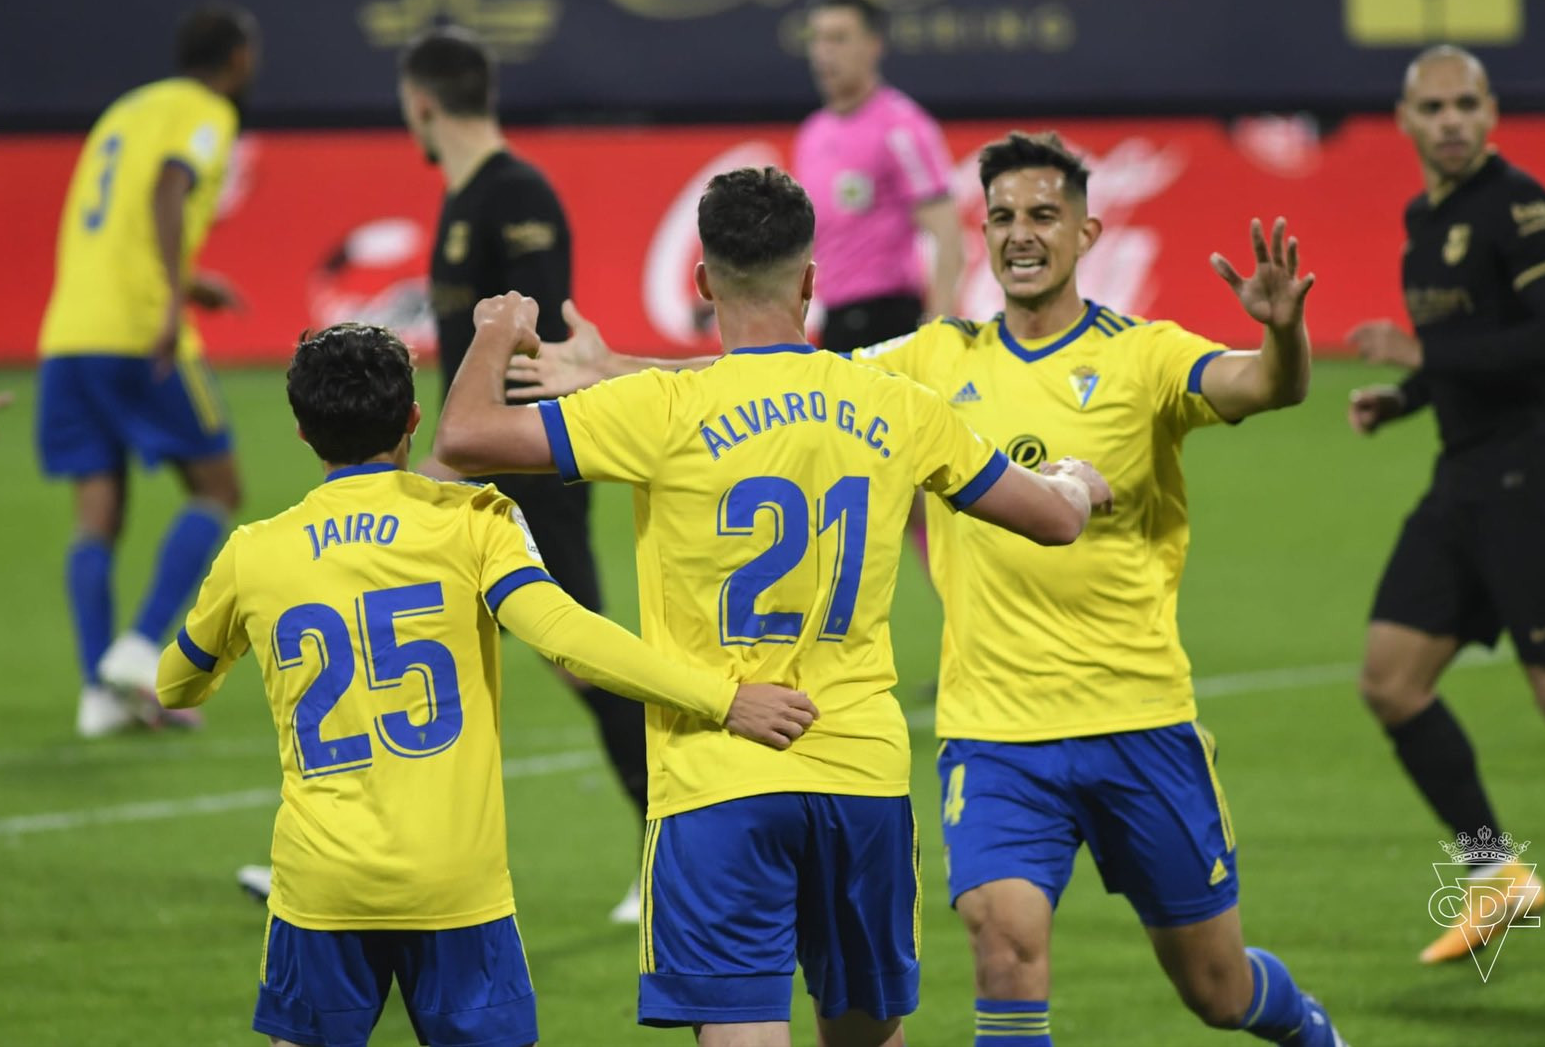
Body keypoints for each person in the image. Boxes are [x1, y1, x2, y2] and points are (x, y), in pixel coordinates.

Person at [506, 134, 1349, 1046]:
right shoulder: (931, 361)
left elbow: (1264, 383)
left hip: (1138, 714)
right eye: (1001, 217)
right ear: (981, 233)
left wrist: (1284, 332)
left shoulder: (1145, 357)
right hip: (994, 730)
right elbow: (769, 375)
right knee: (1003, 937)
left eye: (1042, 216)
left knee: (1218, 989)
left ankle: (1304, 1028)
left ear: (1089, 230)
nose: (1020, 235)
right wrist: (612, 373)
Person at [432, 167, 1113, 1047]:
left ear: (704, 282)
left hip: (719, 775)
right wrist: (1075, 483)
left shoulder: (657, 407)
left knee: (741, 1029)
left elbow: (464, 436)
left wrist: (495, 333)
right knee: (867, 1035)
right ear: (810, 279)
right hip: (860, 772)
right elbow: (1051, 520)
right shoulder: (901, 407)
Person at [156, 322, 819, 1047]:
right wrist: (724, 698)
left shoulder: (255, 553)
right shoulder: (475, 519)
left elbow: (174, 685)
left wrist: (216, 653)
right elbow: (569, 635)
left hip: (321, 888)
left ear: (302, 432)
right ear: (413, 421)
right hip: (457, 886)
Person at [396, 24, 655, 924]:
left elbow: (530, 346)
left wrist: (458, 456)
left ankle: (671, 837)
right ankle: (369, 859)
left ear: (421, 102)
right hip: (475, 469)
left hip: (520, 473)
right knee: (405, 645)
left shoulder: (513, 193)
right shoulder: (468, 195)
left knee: (580, 653)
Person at [1345, 44, 1545, 965]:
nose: (1450, 122)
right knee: (1391, 680)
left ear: (1491, 112)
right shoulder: (1422, 216)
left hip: (1534, 479)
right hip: (1463, 478)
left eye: (1465, 105)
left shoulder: (1520, 207)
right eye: (1432, 108)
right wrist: (1407, 400)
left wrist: (1419, 359)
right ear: (1404, 119)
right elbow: (1476, 347)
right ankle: (1495, 874)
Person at [36, 3, 256, 738]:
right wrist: (171, 298)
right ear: (235, 60)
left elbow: (114, 218)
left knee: (97, 510)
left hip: (69, 331)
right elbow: (169, 186)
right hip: (138, 330)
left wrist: (190, 281)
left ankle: (100, 695)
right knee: (220, 487)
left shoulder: (127, 110)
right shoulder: (206, 112)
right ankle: (138, 649)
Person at [794, 0, 962, 353]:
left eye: (838, 38)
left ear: (873, 45)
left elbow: (947, 234)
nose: (824, 51)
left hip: (888, 317)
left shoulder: (902, 127)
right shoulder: (812, 132)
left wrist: (936, 333)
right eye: (818, 39)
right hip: (833, 320)